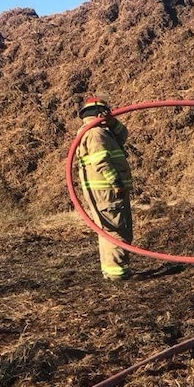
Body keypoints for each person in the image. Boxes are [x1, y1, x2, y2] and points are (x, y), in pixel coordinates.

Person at [75, 97, 134, 280]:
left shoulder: (99, 131)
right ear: (100, 113)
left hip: (102, 191)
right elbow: (101, 161)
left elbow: (123, 135)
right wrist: (116, 183)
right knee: (116, 230)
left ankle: (111, 270)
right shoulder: (96, 134)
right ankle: (118, 273)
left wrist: (113, 122)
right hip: (107, 191)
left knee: (108, 230)